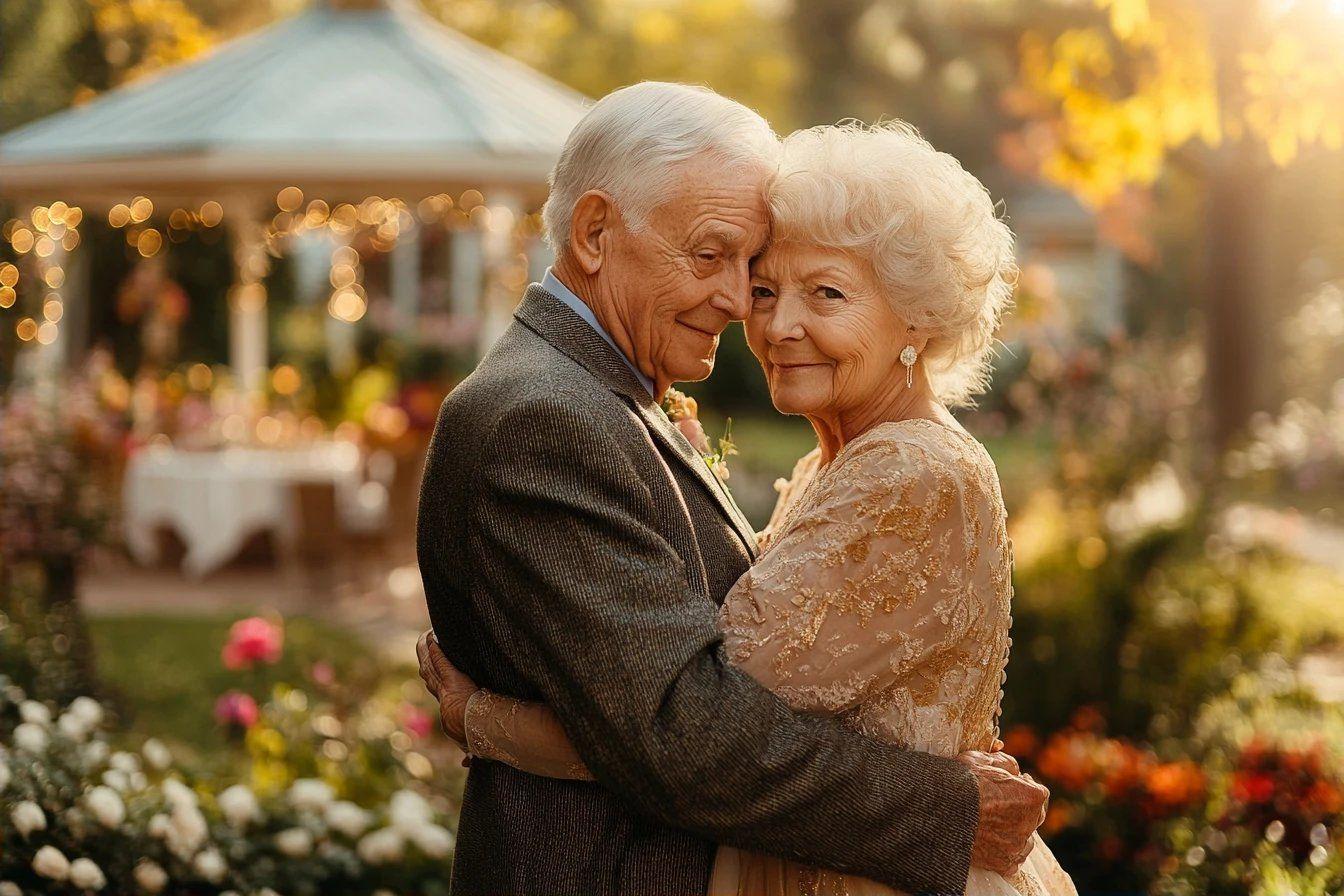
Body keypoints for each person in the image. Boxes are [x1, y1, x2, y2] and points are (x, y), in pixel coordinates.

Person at [415, 83, 1048, 896]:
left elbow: (691, 719)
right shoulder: (549, 415)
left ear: (917, 315)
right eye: (725, 263)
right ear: (596, 233)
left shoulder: (900, 469)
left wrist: (487, 722)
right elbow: (684, 732)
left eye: (819, 290)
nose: (749, 310)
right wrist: (950, 808)